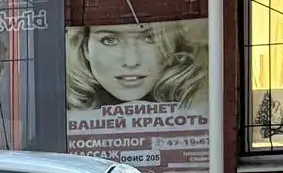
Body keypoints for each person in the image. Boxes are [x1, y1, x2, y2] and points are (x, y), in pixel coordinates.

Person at [65, 21, 205, 109]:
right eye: (109, 40)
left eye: (149, 38)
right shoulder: (60, 106)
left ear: (173, 45)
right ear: (85, 48)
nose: (131, 62)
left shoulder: (203, 101)